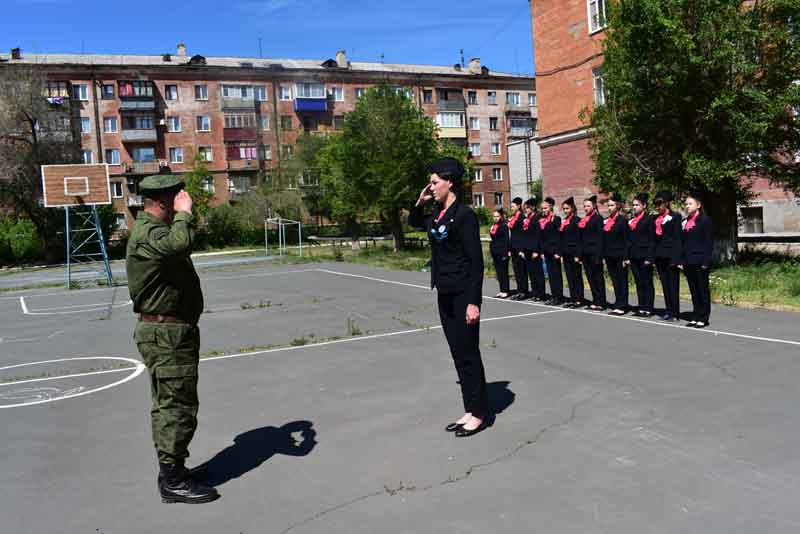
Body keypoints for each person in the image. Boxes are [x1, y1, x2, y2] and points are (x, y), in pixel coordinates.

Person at [126, 175, 219, 504]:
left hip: (172, 332)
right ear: (164, 201)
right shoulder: (149, 233)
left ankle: (176, 468)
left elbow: (181, 243)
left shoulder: (156, 232)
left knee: (172, 401)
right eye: (178, 196)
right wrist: (185, 213)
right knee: (175, 404)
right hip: (165, 334)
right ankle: (172, 480)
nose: (185, 198)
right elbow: (180, 244)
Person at [409, 157, 489, 438]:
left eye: (434, 182)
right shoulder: (436, 214)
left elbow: (476, 262)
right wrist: (419, 202)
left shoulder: (465, 215)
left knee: (469, 353)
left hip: (462, 294)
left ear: (449, 182)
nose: (430, 187)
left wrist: (473, 302)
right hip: (444, 292)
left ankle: (480, 413)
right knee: (457, 354)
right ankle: (470, 408)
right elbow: (414, 222)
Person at [680, 193, 714, 328]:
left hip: (700, 261)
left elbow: (708, 243)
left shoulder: (705, 220)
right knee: (693, 290)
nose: (687, 206)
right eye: (686, 204)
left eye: (690, 204)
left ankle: (704, 317)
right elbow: (684, 243)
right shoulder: (686, 221)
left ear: (698, 205)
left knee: (702, 290)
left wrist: (706, 262)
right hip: (689, 261)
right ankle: (696, 314)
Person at [653, 191, 683, 321]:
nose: (658, 207)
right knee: (665, 286)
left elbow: (678, 239)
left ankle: (675, 313)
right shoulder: (655, 218)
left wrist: (677, 259)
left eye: (660, 204)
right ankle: (668, 311)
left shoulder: (675, 217)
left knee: (673, 286)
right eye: (656, 204)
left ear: (666, 203)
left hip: (671, 257)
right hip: (660, 257)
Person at [626, 193, 656, 317]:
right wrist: (627, 257)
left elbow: (652, 240)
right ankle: (642, 306)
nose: (634, 207)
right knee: (639, 282)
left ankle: (648, 308)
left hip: (644, 256)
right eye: (633, 205)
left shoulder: (649, 219)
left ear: (644, 206)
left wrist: (650, 257)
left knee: (647, 282)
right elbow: (628, 240)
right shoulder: (631, 220)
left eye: (637, 205)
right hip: (634, 256)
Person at [603, 193, 629, 315]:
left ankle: (623, 305)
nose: (609, 208)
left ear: (618, 206)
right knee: (614, 281)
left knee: (621, 280)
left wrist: (625, 257)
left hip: (619, 256)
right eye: (608, 205)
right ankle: (618, 302)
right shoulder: (607, 220)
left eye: (612, 205)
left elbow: (626, 240)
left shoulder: (623, 220)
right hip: (609, 256)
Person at [578, 195, 607, 310]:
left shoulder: (598, 218)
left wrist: (599, 256)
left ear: (594, 206)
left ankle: (601, 302)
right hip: (586, 254)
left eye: (588, 206)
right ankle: (595, 300)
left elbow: (600, 239)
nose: (586, 208)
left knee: (598, 278)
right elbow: (581, 238)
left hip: (595, 253)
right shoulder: (585, 218)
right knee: (590, 278)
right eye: (584, 206)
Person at [558, 197, 584, 308]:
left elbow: (579, 239)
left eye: (567, 208)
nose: (565, 211)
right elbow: (562, 238)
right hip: (566, 253)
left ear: (572, 208)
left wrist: (578, 255)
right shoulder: (564, 221)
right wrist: (562, 253)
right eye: (564, 209)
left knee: (576, 277)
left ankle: (579, 299)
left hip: (574, 253)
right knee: (569, 277)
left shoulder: (577, 220)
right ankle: (573, 298)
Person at [539, 197, 563, 305]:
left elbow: (558, 237)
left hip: (554, 251)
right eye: (542, 208)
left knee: (556, 275)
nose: (543, 210)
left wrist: (558, 252)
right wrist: (543, 252)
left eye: (545, 208)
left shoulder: (556, 219)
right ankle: (553, 296)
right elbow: (542, 237)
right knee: (551, 275)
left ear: (551, 207)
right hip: (547, 251)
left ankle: (558, 297)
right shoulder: (542, 220)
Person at [521, 197, 546, 301]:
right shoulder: (528, 219)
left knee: (538, 273)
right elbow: (525, 235)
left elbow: (538, 235)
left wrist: (536, 250)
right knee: (531, 272)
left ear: (532, 208)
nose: (526, 210)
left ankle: (540, 294)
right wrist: (522, 249)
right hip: (527, 249)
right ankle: (535, 293)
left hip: (534, 249)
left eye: (527, 208)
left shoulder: (536, 218)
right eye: (525, 208)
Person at [507, 197, 528, 300]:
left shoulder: (522, 218)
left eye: (513, 206)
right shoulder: (514, 217)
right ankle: (519, 290)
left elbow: (523, 235)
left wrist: (522, 249)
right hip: (513, 247)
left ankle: (524, 291)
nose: (511, 208)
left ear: (519, 206)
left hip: (519, 248)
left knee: (521, 270)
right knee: (516, 271)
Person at [489, 208, 511, 298]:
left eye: (497, 216)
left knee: (503, 272)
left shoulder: (504, 226)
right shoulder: (493, 226)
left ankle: (505, 290)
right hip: (495, 252)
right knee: (499, 273)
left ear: (501, 216)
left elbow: (506, 240)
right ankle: (501, 290)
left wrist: (505, 253)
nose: (495, 218)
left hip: (502, 252)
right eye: (494, 216)